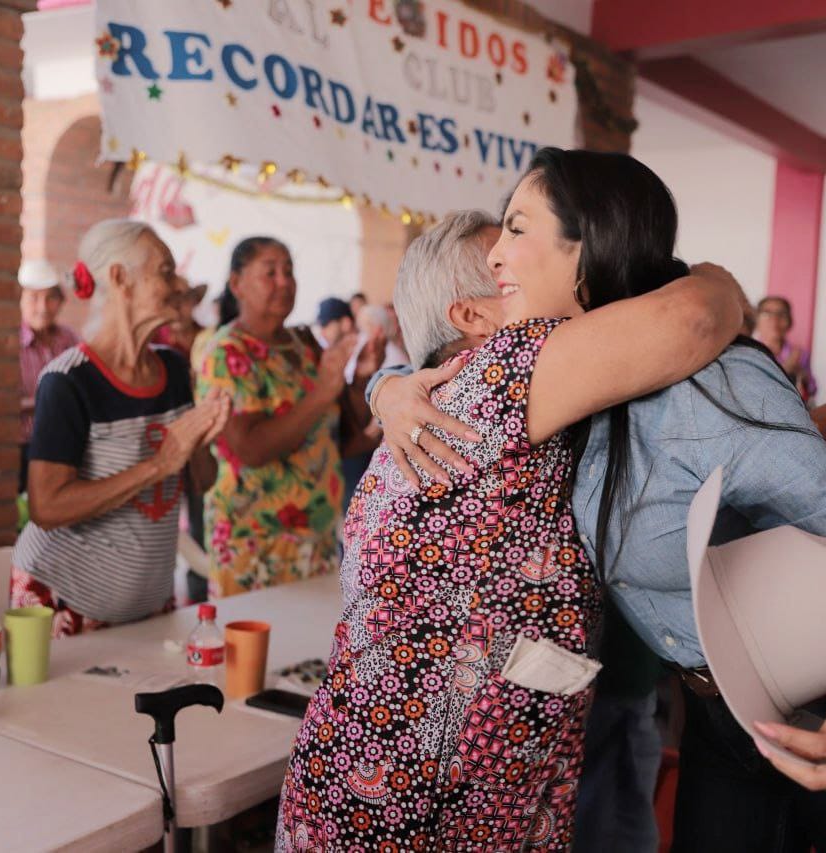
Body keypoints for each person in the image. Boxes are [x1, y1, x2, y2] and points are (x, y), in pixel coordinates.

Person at [371, 148, 826, 852]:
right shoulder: (551, 402)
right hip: (723, 716)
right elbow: (446, 356)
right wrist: (385, 387)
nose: (495, 258)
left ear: (588, 250)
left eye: (516, 228)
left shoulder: (708, 383)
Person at [276, 208, 745, 851]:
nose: (522, 260)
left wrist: (382, 387)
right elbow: (695, 318)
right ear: (474, 316)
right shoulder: (501, 375)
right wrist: (717, 278)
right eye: (503, 261)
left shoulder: (444, 400)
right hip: (412, 800)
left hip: (390, 784)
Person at [12, 219, 230, 637]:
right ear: (119, 278)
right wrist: (159, 464)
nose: (179, 284)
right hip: (65, 599)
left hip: (148, 599)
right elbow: (46, 507)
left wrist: (203, 437)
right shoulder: (68, 380)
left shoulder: (173, 368)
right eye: (165, 271)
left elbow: (200, 480)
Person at [197, 238, 382, 596]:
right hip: (254, 541)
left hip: (316, 536)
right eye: (270, 272)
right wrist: (321, 392)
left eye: (289, 271)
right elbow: (250, 450)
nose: (284, 282)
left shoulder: (302, 344)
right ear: (237, 284)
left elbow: (340, 439)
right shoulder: (226, 352)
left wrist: (360, 378)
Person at [18, 259, 79, 494]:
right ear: (20, 300)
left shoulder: (70, 339)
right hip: (22, 446)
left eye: (50, 298)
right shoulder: (10, 342)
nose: (43, 307)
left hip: (63, 445)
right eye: (33, 298)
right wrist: (50, 403)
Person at [754, 295, 817, 401]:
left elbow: (813, 389)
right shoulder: (749, 352)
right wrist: (787, 368)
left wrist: (802, 373)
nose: (774, 320)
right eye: (767, 314)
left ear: (790, 322)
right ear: (756, 321)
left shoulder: (800, 354)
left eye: (781, 314)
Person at [153, 275, 207, 359]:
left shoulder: (209, 337)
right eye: (170, 301)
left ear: (195, 301)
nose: (176, 308)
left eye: (184, 300)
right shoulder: (154, 339)